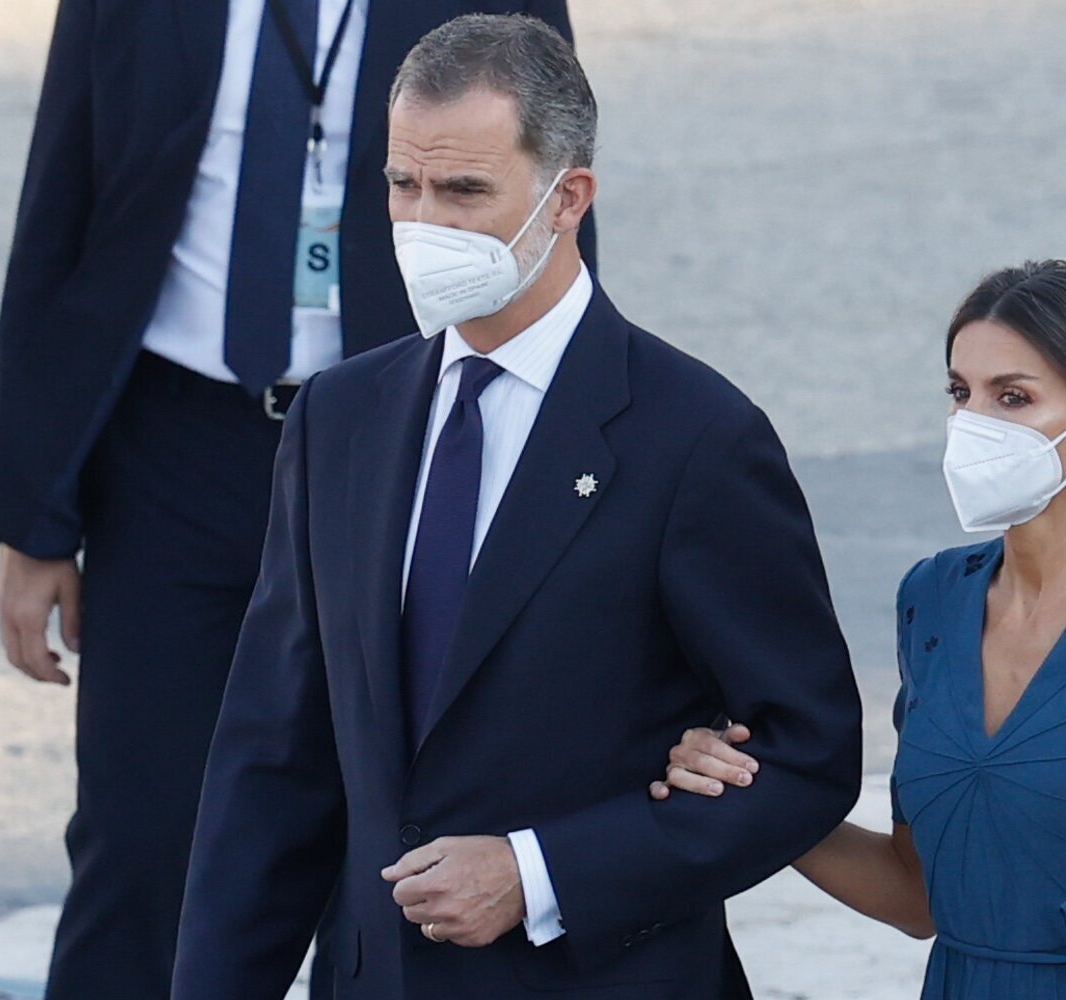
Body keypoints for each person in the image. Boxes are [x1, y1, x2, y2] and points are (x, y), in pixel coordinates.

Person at [170, 14, 864, 1000]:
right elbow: (275, 756)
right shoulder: (339, 418)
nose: (423, 225)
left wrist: (539, 873)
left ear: (566, 197)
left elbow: (808, 754)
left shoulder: (694, 439)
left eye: (463, 191)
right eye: (402, 186)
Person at [0, 0, 589, 995]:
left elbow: (545, 205)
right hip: (175, 445)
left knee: (390, 845)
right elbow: (62, 199)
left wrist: (554, 492)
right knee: (140, 843)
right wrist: (30, 508)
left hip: (400, 436)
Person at [652, 261, 1066, 999]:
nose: (974, 423)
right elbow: (916, 897)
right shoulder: (933, 600)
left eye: (1012, 397)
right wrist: (750, 793)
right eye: (960, 392)